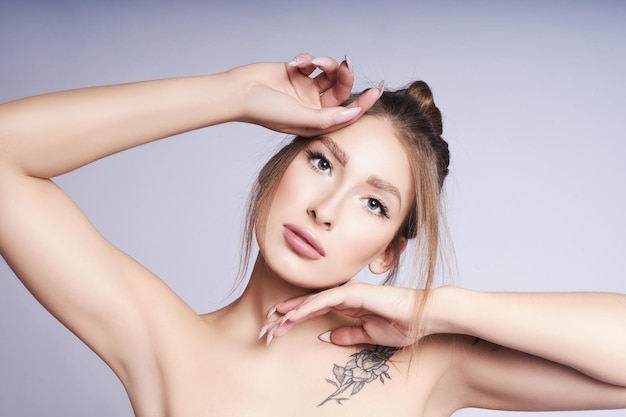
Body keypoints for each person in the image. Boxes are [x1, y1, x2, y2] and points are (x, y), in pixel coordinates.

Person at [0, 53, 624, 417]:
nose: (326, 209)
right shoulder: (164, 341)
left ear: (388, 252)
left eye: (374, 204)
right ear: (281, 169)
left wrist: (433, 307)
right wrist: (233, 94)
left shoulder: (429, 363)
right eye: (322, 162)